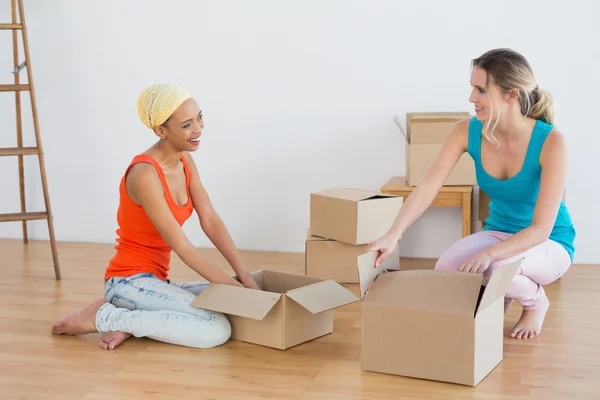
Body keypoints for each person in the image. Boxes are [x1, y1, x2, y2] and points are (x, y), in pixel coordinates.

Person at [369, 48, 575, 340]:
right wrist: (394, 233)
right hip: (498, 232)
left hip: (549, 243)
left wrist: (489, 253)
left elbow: (541, 229)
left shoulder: (551, 141)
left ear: (511, 95)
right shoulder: (465, 131)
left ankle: (536, 302)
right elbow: (427, 187)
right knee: (448, 268)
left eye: (480, 90)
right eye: (471, 88)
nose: (471, 98)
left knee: (497, 267)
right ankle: (500, 295)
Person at [51, 84, 261, 350]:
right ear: (161, 131)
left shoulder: (185, 160)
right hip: (128, 283)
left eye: (199, 117)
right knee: (215, 327)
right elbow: (182, 246)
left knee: (235, 299)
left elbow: (210, 220)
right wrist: (237, 289)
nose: (198, 128)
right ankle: (105, 316)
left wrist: (244, 278)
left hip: (155, 282)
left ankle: (130, 324)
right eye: (186, 125)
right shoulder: (144, 175)